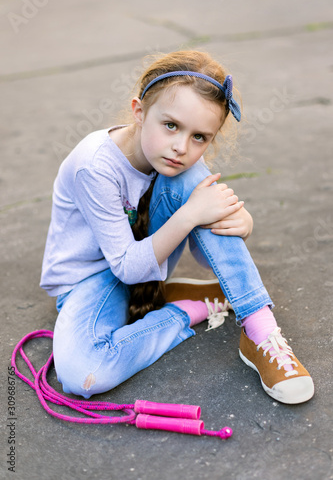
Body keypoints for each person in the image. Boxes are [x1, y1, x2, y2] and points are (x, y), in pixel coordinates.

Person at [40, 50, 314, 405]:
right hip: (91, 279)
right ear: (139, 111)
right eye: (170, 125)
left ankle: (260, 331)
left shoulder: (179, 166)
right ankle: (188, 307)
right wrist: (191, 215)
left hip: (146, 263)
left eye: (200, 137)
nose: (181, 147)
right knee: (83, 375)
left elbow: (205, 255)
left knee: (192, 179)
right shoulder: (94, 167)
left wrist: (238, 224)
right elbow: (126, 267)